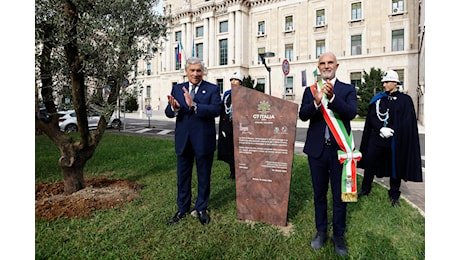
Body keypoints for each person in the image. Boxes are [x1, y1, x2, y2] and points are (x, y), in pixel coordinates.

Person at [298, 52, 357, 256]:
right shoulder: (311, 90)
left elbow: (351, 113)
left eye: (329, 62)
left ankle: (338, 235)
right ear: (318, 66)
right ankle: (321, 231)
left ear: (337, 65)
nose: (326, 66)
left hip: (339, 151)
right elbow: (303, 115)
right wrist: (315, 103)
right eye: (322, 63)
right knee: (319, 194)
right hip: (317, 151)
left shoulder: (347, 90)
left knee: (340, 196)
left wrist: (332, 98)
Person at [165, 57, 221, 225]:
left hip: (204, 141)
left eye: (198, 70)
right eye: (192, 70)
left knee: (204, 177)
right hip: (183, 141)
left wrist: (195, 106)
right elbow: (169, 112)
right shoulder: (177, 88)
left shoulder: (212, 89)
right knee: (183, 177)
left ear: (203, 72)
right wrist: (174, 108)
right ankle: (182, 208)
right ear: (186, 71)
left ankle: (201, 208)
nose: (195, 74)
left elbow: (216, 110)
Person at [357, 70, 423, 206]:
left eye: (387, 82)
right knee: (370, 162)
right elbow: (371, 117)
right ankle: (365, 189)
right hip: (378, 138)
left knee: (395, 166)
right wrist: (380, 128)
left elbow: (407, 121)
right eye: (384, 82)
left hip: (395, 140)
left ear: (395, 83)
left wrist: (395, 131)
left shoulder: (405, 100)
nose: (384, 85)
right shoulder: (378, 98)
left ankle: (394, 194)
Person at [217, 71, 243, 179]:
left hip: (241, 127)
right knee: (229, 150)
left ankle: (241, 171)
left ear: (240, 82)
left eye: (235, 80)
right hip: (228, 127)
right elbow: (223, 110)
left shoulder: (244, 94)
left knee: (240, 151)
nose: (233, 81)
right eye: (232, 79)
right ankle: (232, 171)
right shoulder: (227, 94)